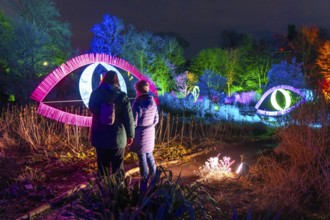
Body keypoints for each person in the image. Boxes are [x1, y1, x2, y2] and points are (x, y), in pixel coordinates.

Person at [88, 70, 135, 177]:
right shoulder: (122, 96)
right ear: (116, 81)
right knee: (118, 168)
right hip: (117, 137)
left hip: (100, 137)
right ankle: (117, 191)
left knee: (102, 168)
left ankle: (103, 191)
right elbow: (129, 117)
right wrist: (130, 135)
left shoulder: (95, 94)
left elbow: (91, 108)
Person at [130, 80, 159, 188]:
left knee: (141, 156)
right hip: (150, 132)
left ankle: (145, 179)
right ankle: (155, 177)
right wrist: (149, 126)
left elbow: (134, 122)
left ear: (138, 90)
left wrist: (131, 132)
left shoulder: (137, 103)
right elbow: (156, 119)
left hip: (140, 134)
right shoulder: (152, 101)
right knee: (149, 154)